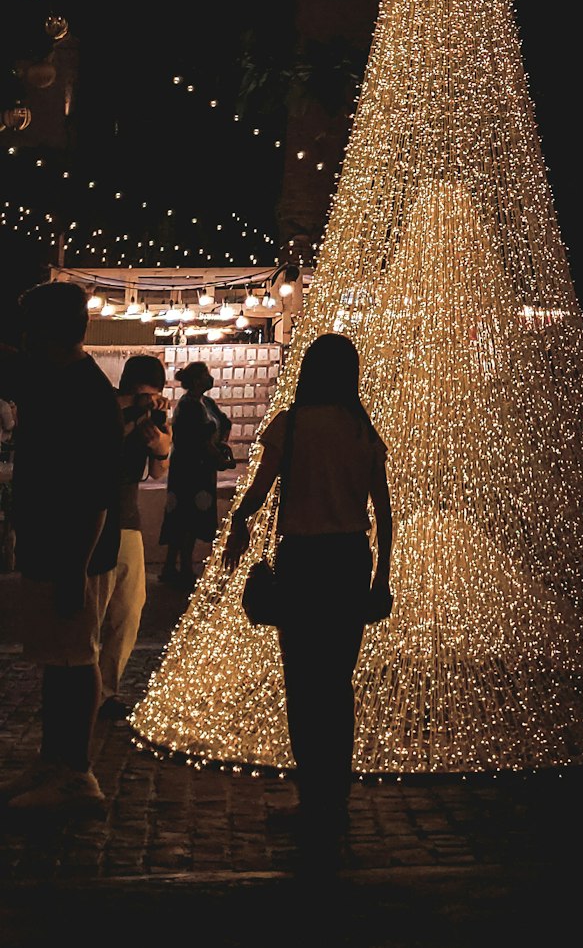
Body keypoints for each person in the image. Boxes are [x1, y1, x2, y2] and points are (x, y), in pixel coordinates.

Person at [221, 333, 392, 845]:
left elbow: (259, 488)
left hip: (302, 561)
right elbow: (382, 513)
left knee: (303, 678)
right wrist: (382, 577)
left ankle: (310, 792)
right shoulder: (362, 430)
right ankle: (334, 795)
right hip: (347, 561)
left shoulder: (290, 427)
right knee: (338, 680)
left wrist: (239, 522)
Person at [0, 280, 123, 816]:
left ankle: (77, 773)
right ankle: (54, 761)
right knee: (59, 657)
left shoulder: (83, 391)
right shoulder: (57, 379)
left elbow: (96, 490)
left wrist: (76, 565)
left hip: (76, 551)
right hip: (55, 546)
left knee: (76, 659)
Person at [97, 354, 171, 720]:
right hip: (93, 518)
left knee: (129, 608)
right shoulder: (107, 407)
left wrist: (160, 445)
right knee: (92, 609)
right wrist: (133, 411)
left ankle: (105, 691)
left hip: (128, 520)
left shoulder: (153, 415)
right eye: (145, 394)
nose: (151, 401)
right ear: (128, 390)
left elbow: (159, 470)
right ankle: (84, 686)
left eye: (155, 395)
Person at [158, 360, 232, 591]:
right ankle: (183, 566)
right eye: (206, 375)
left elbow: (221, 424)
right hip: (190, 468)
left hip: (200, 468)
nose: (210, 379)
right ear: (198, 379)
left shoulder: (204, 402)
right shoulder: (190, 405)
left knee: (186, 514)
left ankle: (173, 565)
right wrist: (217, 456)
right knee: (186, 515)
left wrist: (219, 447)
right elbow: (198, 438)